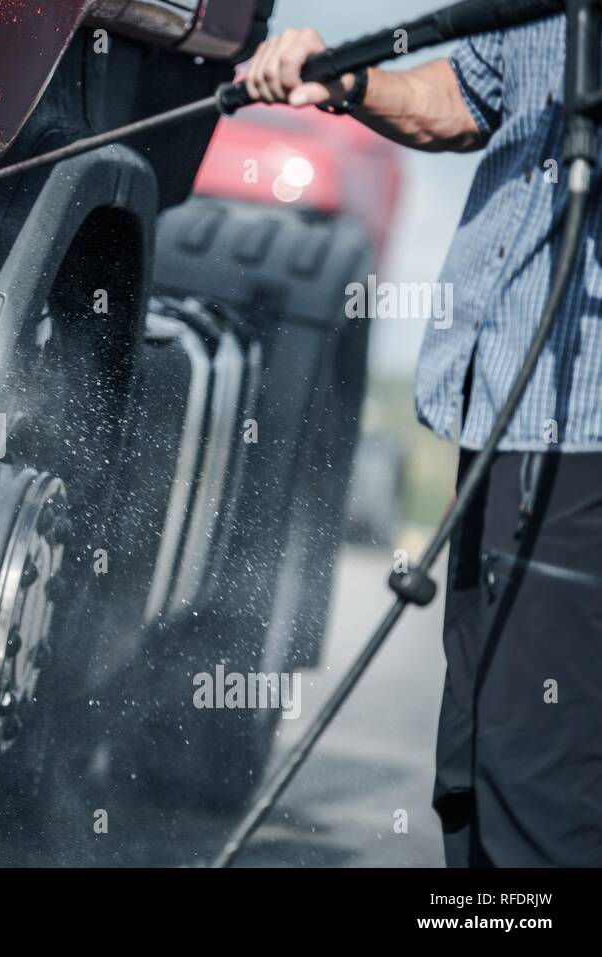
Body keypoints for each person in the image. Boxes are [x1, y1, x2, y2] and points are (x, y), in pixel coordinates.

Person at [244, 16, 602, 867]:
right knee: (471, 767)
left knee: (541, 787)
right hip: (499, 412)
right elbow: (465, 95)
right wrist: (352, 82)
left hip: (584, 426)